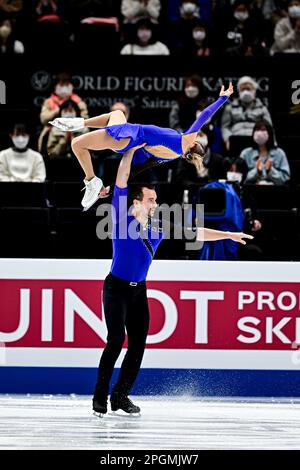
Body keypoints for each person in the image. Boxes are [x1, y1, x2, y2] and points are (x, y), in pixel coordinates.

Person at [92, 144, 253, 416]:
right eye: (151, 200)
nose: (155, 204)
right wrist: (129, 152)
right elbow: (122, 178)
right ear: (136, 202)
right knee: (117, 338)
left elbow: (195, 231)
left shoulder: (158, 226)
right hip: (116, 288)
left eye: (155, 200)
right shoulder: (120, 218)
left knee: (139, 343)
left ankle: (120, 395)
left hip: (138, 291)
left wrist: (227, 235)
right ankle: (100, 396)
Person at [50, 83, 234, 210]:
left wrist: (222, 99)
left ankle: (91, 180)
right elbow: (136, 170)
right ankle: (80, 123)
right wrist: (112, 188)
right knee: (116, 113)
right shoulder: (169, 157)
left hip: (129, 135)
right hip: (127, 139)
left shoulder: (184, 140)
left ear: (194, 143)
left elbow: (204, 116)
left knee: (77, 143)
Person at [221, 76, 273, 151]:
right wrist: (227, 140)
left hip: (255, 139)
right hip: (236, 139)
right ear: (239, 92)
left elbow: (269, 127)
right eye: (243, 89)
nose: (246, 92)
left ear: (254, 91)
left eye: (248, 89)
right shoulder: (230, 108)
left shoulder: (262, 108)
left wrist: (272, 143)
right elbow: (225, 127)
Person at [240, 120, 290, 185]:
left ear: (269, 133)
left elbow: (285, 179)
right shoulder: (245, 153)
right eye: (257, 130)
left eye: (263, 130)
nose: (259, 133)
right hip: (251, 191)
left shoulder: (279, 153)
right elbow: (240, 179)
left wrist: (270, 171)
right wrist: (256, 171)